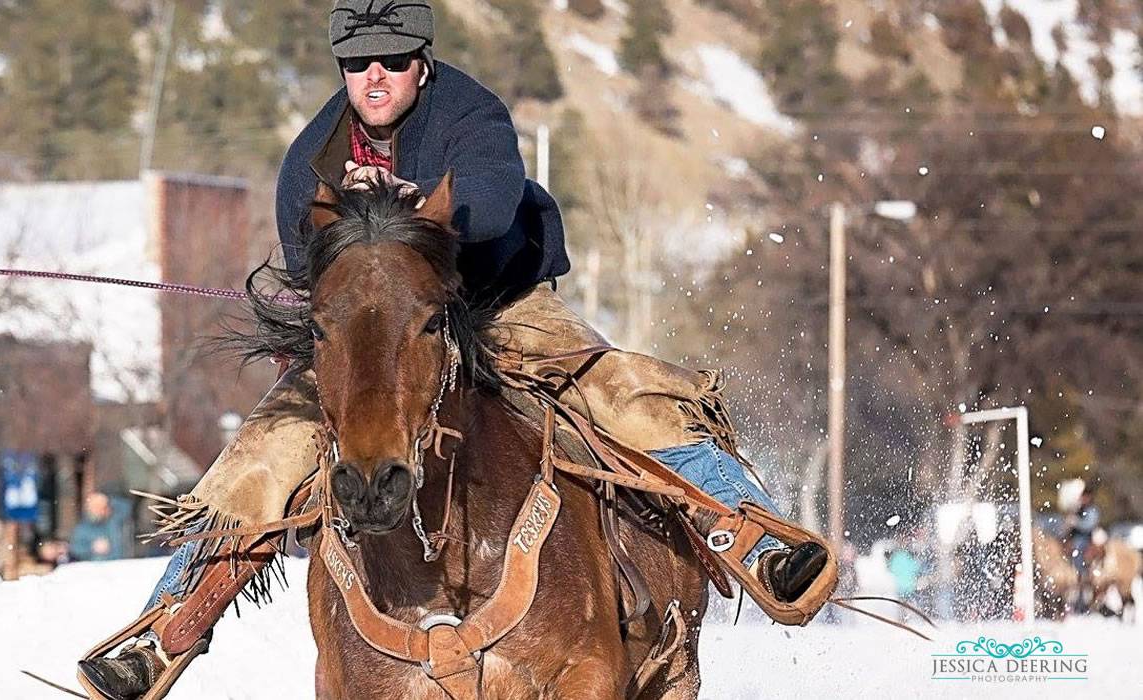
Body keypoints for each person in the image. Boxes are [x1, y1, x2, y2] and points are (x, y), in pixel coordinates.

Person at [77, 3, 831, 696]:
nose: (375, 76)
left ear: (423, 63)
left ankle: (756, 536)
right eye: (358, 62)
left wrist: (421, 207)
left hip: (499, 304)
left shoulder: (472, 113)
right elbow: (313, 274)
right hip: (372, 332)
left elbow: (496, 199)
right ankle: (167, 626)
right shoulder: (309, 160)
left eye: (394, 60)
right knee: (260, 455)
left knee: (622, 393)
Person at [68, 492, 127, 563]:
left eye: (103, 507)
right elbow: (75, 549)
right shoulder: (83, 528)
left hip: (119, 564)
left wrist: (108, 499)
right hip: (96, 567)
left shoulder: (114, 521)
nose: (100, 510)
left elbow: (126, 506)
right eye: (96, 507)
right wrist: (92, 548)